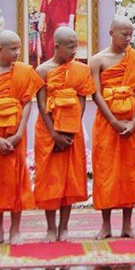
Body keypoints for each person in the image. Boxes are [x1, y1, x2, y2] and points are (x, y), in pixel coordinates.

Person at [0, 30, 43, 245]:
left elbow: (26, 104)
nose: (17, 52)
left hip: (16, 135)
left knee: (17, 180)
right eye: (12, 48)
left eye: (18, 48)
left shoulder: (23, 72)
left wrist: (19, 133)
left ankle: (15, 229)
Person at [90, 15, 135, 239]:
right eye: (123, 34)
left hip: (132, 124)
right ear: (111, 34)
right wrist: (114, 121)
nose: (128, 39)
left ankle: (127, 225)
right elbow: (96, 94)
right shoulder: (97, 60)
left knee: (131, 173)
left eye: (130, 35)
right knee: (106, 173)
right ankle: (105, 225)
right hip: (107, 125)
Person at [34, 26, 96, 242]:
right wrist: (54, 133)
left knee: (70, 178)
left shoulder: (80, 69)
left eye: (76, 46)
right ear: (56, 46)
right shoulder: (42, 70)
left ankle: (65, 227)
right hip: (47, 131)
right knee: (49, 178)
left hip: (72, 132)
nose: (74, 51)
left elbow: (82, 100)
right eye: (70, 47)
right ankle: (51, 227)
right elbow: (41, 105)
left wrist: (72, 128)